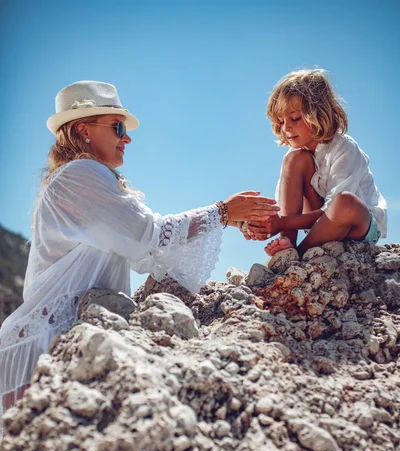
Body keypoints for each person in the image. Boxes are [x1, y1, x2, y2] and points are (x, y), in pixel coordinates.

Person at [0, 80, 279, 422]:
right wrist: (222, 213)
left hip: (54, 340)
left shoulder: (83, 179)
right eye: (117, 127)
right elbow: (148, 236)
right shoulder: (79, 176)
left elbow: (145, 254)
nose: (127, 138)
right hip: (44, 343)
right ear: (83, 130)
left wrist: (227, 219)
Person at [244, 69, 387, 256]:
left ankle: (298, 255)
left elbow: (334, 209)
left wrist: (281, 223)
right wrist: (263, 224)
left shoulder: (345, 148)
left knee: (345, 202)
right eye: (280, 121)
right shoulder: (296, 156)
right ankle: (287, 241)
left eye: (295, 118)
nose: (286, 128)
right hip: (319, 226)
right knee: (294, 159)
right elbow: (285, 208)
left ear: (318, 113)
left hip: (357, 228)